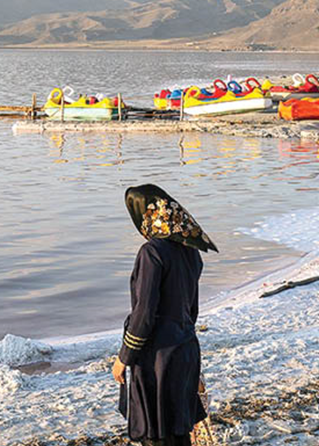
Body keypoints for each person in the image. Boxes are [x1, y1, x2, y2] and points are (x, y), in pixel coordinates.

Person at [112, 184, 218, 446]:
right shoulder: (191, 252)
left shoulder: (152, 253)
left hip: (157, 359)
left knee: (156, 434)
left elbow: (144, 315)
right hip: (185, 350)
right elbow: (191, 310)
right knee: (179, 432)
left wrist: (124, 358)